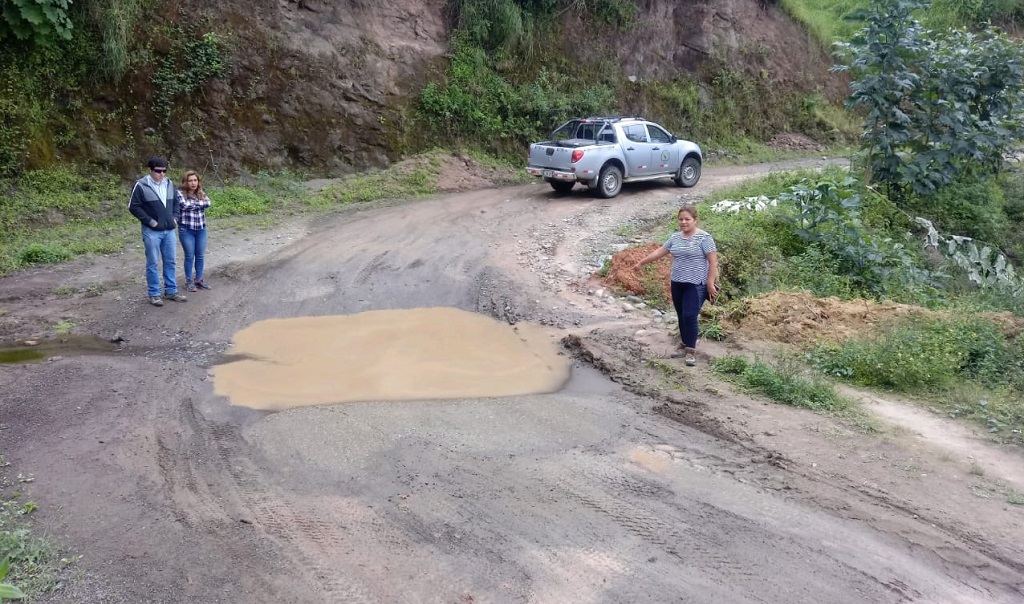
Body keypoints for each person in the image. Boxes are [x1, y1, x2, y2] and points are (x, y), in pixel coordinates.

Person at [633, 204, 719, 366]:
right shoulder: (675, 238)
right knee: (681, 315)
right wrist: (641, 263)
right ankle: (685, 344)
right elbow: (660, 251)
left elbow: (713, 261)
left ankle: (691, 351)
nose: (684, 222)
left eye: (687, 219)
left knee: (689, 315)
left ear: (695, 220)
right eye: (681, 219)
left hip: (696, 284)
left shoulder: (704, 238)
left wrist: (710, 282)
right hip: (677, 282)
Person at [128, 156, 187, 307]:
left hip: (169, 230)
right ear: (150, 170)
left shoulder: (169, 183)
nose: (161, 174)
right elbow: (133, 207)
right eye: (158, 171)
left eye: (164, 171)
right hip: (152, 231)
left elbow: (176, 204)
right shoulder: (141, 185)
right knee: (153, 263)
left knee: (170, 261)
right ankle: (154, 294)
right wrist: (151, 222)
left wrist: (175, 218)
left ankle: (171, 291)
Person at [178, 170, 212, 292]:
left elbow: (208, 203)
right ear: (185, 182)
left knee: (200, 256)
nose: (193, 183)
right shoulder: (180, 193)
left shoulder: (200, 192)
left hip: (201, 229)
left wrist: (197, 203)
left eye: (195, 180)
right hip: (186, 230)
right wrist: (200, 203)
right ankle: (188, 281)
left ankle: (199, 280)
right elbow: (184, 205)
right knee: (189, 256)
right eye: (190, 180)